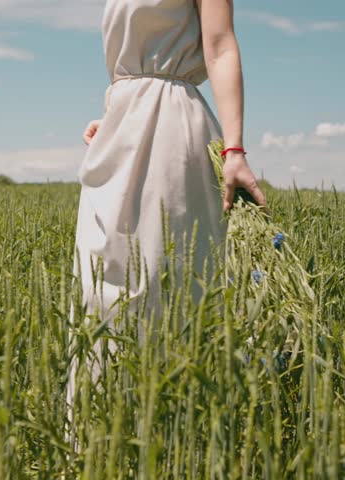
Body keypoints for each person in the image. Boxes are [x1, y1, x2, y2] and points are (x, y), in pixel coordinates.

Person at [67, 0, 267, 444]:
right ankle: (97, 441)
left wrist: (234, 149)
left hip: (171, 129)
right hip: (121, 129)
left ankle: (174, 439)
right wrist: (114, 111)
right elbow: (133, 58)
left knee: (162, 282)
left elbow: (218, 46)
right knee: (97, 287)